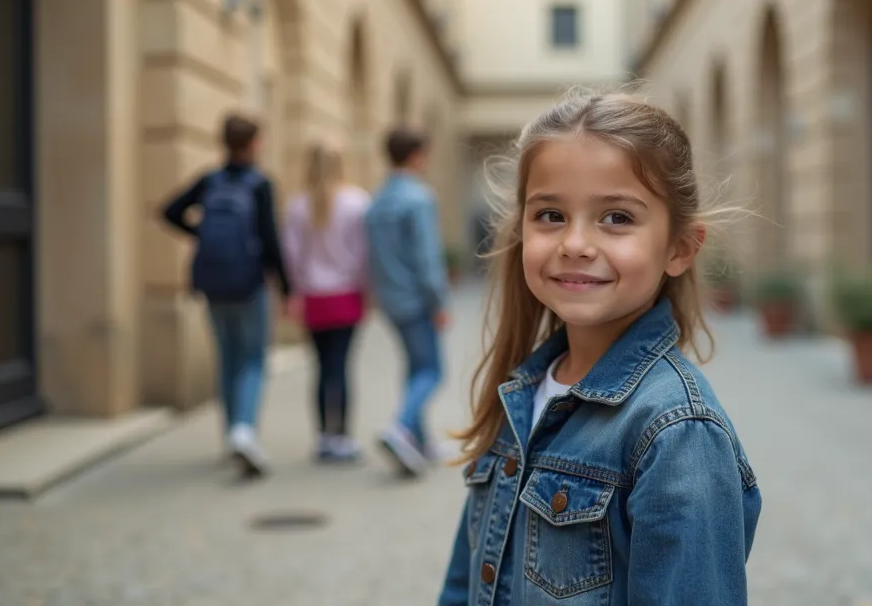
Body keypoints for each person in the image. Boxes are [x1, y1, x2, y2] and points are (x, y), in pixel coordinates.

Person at [437, 88, 762, 606]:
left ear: (679, 247)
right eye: (550, 215)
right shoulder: (520, 393)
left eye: (617, 218)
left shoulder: (677, 434)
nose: (574, 244)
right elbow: (467, 580)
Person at [160, 113, 291, 479]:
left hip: (213, 284)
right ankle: (244, 432)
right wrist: (285, 286)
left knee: (228, 358)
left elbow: (168, 211)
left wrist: (198, 232)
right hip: (249, 286)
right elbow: (271, 240)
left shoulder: (209, 180)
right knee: (252, 359)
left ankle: (231, 437)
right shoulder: (259, 184)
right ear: (254, 144)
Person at [365, 128, 450, 476]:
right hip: (416, 299)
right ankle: (399, 429)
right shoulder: (418, 198)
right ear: (416, 156)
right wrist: (439, 301)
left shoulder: (377, 200)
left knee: (415, 367)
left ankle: (419, 440)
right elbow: (427, 258)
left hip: (390, 299)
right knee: (432, 370)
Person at [282, 144, 371, 463]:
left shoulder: (297, 205)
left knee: (321, 368)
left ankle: (322, 436)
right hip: (346, 294)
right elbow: (364, 255)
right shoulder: (357, 201)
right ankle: (343, 436)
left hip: (313, 297)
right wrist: (367, 290)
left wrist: (294, 290)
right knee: (341, 366)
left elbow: (290, 256)